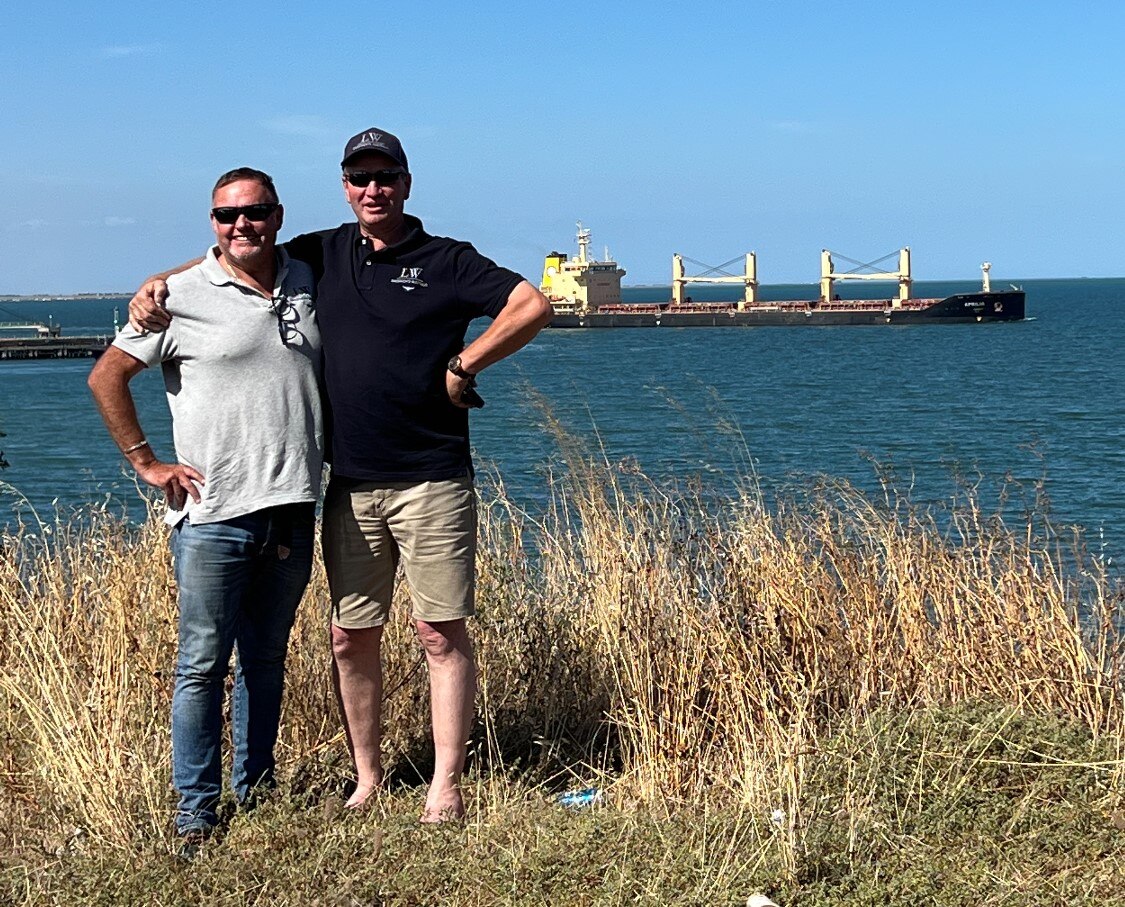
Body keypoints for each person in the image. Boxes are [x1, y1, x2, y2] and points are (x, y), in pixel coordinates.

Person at [130, 128, 553, 822]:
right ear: (345, 187)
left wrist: (464, 364)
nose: (373, 189)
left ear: (406, 184)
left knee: (439, 633)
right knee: (349, 636)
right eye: (360, 178)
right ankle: (367, 777)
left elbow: (531, 305)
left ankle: (445, 785)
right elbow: (236, 252)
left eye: (385, 176)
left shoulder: (447, 259)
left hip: (433, 479)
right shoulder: (321, 253)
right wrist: (157, 285)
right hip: (348, 485)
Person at [91, 168, 323, 851]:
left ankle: (256, 790)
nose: (240, 224)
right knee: (201, 667)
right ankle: (196, 811)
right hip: (214, 516)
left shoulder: (309, 280)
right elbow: (106, 375)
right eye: (226, 215)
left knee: (266, 659)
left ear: (277, 215)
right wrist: (147, 462)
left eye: (254, 212)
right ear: (212, 222)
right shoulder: (179, 297)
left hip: (293, 507)